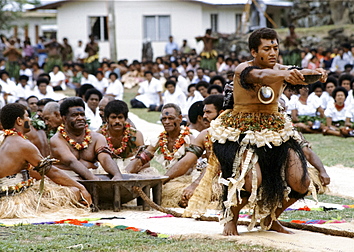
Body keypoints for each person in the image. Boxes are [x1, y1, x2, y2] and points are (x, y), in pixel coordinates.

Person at [184, 27, 327, 236]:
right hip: (241, 130)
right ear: (253, 52)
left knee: (301, 181)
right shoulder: (244, 69)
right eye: (267, 48)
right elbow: (262, 75)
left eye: (275, 48)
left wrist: (316, 74)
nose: (272, 53)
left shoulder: (281, 68)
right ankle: (231, 218)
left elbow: (301, 74)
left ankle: (270, 217)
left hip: (274, 130)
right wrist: (287, 73)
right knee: (250, 179)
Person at [0, 103, 92, 218]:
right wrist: (81, 188)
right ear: (19, 121)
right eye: (27, 116)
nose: (30, 120)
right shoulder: (23, 144)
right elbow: (51, 171)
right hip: (13, 201)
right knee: (74, 192)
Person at [163, 95, 224, 208]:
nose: (204, 116)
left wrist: (195, 185)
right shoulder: (204, 134)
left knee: (199, 196)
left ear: (221, 113)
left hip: (226, 179)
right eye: (204, 112)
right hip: (205, 176)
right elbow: (187, 161)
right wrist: (163, 180)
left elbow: (216, 165)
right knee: (168, 191)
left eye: (208, 112)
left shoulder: (232, 134)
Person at [50, 97, 122, 180]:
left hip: (94, 175)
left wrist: (117, 175)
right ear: (64, 118)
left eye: (82, 114)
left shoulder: (97, 137)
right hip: (66, 178)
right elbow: (71, 162)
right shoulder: (57, 140)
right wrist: (92, 179)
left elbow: (105, 158)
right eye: (75, 115)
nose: (80, 118)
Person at [125, 103, 194, 174]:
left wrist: (165, 180)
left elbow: (187, 165)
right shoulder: (160, 140)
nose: (167, 122)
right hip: (168, 179)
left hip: (188, 179)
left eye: (171, 118)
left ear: (180, 118)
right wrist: (124, 174)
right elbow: (141, 159)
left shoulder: (189, 139)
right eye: (164, 119)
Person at [98, 100, 144, 173]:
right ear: (107, 119)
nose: (117, 121)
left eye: (120, 117)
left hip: (131, 167)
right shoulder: (99, 135)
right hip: (105, 167)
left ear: (125, 119)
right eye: (113, 117)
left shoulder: (135, 134)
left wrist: (128, 171)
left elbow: (144, 161)